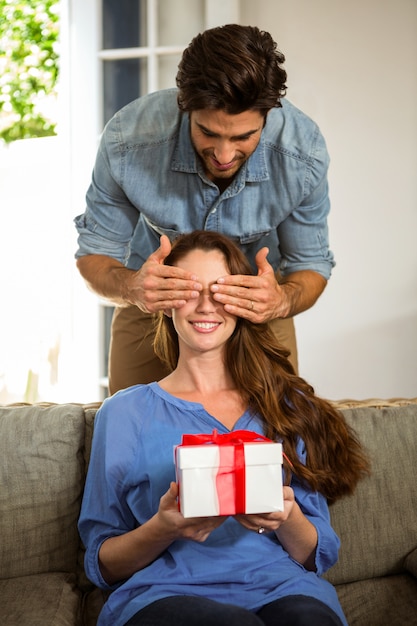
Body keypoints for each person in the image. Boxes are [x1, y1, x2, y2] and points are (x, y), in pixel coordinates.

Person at [78, 231, 369, 626]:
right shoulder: (124, 412)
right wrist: (163, 528)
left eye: (220, 291)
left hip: (283, 587)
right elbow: (103, 565)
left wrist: (286, 516)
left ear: (242, 302)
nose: (205, 306)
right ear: (166, 303)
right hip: (166, 594)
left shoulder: (287, 407)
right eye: (189, 290)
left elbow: (315, 555)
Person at [74, 22, 335, 394]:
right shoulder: (127, 141)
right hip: (152, 301)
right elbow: (95, 256)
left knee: (279, 434)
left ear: (268, 114)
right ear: (185, 105)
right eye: (208, 133)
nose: (224, 155)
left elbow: (311, 266)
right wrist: (133, 288)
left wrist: (281, 300)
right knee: (128, 423)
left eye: (244, 137)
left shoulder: (302, 154)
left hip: (258, 304)